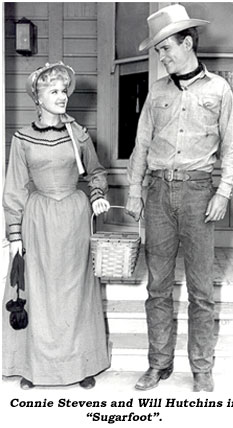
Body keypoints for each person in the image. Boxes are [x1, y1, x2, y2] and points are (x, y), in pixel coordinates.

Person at [125, 4, 233, 392]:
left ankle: (201, 368)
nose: (161, 56)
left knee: (201, 291)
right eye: (158, 50)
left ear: (188, 42)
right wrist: (133, 191)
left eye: (165, 48)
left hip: (198, 194)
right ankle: (158, 365)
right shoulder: (157, 92)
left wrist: (223, 191)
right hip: (157, 193)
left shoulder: (219, 89)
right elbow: (141, 145)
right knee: (157, 287)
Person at [2, 62, 110, 389]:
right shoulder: (22, 138)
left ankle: (81, 365)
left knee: (76, 291)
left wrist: (96, 197)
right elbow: (15, 188)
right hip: (38, 220)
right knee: (38, 291)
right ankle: (34, 368)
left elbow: (97, 172)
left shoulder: (78, 133)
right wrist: (15, 233)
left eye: (64, 90)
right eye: (54, 91)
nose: (62, 96)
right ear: (38, 97)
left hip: (75, 219)